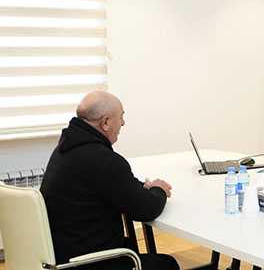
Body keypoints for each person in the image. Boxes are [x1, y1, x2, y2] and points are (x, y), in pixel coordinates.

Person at [40, 91, 179, 270]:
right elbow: (146, 210)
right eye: (121, 117)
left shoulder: (65, 149)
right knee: (167, 264)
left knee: (130, 245)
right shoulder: (103, 159)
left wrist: (141, 188)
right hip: (88, 262)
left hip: (64, 255)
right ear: (105, 122)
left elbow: (111, 185)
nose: (123, 123)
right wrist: (159, 189)